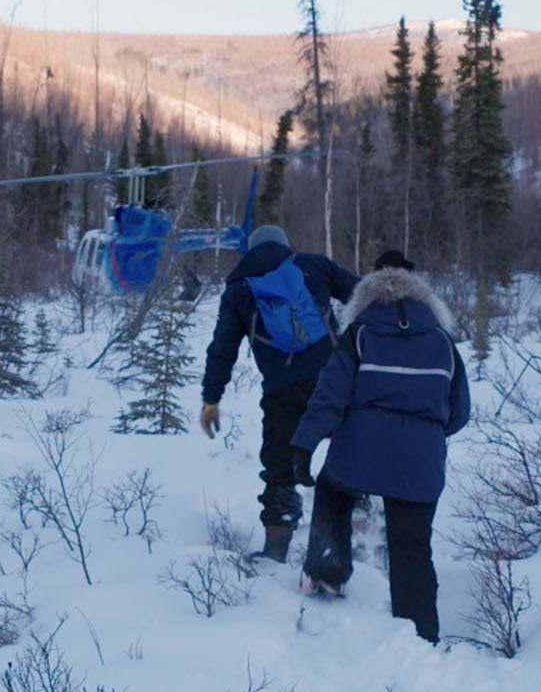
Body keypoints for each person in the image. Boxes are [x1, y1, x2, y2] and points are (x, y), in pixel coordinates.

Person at [288, 250, 469, 644]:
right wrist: (425, 435)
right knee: (412, 548)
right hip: (420, 464)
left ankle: (326, 572)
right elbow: (459, 413)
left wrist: (304, 445)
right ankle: (421, 633)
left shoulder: (359, 334)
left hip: (358, 455)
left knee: (333, 489)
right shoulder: (442, 341)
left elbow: (329, 397)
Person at [200, 224, 359, 562]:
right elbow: (363, 296)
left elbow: (222, 350)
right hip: (334, 381)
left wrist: (211, 398)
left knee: (279, 470)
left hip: (282, 390)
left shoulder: (239, 290)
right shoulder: (314, 265)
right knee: (351, 452)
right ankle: (360, 527)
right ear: (287, 244)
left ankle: (275, 549)